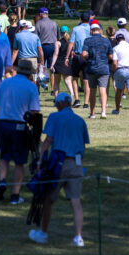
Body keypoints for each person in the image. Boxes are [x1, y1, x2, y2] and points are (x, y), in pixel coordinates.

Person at [29, 92, 89, 247]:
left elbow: (48, 141)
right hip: (75, 163)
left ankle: (43, 233)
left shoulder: (54, 118)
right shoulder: (80, 121)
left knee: (48, 199)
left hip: (58, 163)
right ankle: (78, 237)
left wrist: (40, 161)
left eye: (56, 103)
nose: (55, 106)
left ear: (61, 104)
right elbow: (83, 146)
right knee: (75, 202)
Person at [0, 59, 40, 204]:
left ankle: (2, 181)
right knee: (20, 161)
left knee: (4, 157)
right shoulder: (31, 87)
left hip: (3, 122)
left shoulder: (5, 83)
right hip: (19, 125)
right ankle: (15, 194)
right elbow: (34, 111)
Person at [81, 22, 113, 119]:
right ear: (99, 30)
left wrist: (88, 59)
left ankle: (93, 113)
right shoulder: (106, 41)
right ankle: (103, 112)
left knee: (93, 92)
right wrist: (104, 60)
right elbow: (111, 56)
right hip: (104, 68)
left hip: (92, 68)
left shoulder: (87, 40)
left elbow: (83, 54)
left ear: (91, 31)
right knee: (103, 90)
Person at [65, 12, 91, 108]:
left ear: (81, 19)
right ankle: (86, 102)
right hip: (88, 56)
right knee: (86, 80)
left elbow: (71, 43)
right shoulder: (92, 29)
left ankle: (77, 99)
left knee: (75, 78)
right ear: (89, 19)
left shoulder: (76, 29)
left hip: (78, 56)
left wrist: (67, 57)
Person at [34, 7, 59, 72]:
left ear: (41, 14)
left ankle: (43, 81)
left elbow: (35, 37)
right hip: (53, 46)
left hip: (43, 47)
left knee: (41, 66)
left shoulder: (39, 23)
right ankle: (53, 82)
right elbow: (58, 36)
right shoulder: (54, 23)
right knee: (52, 67)